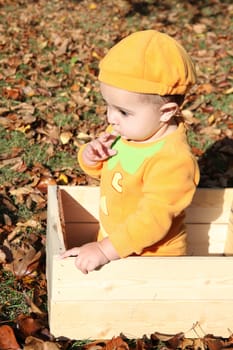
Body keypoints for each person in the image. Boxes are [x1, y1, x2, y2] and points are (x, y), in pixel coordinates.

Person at [61, 30, 200, 274]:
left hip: (153, 260)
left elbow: (153, 220)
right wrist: (92, 157)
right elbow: (112, 175)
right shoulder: (129, 131)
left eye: (123, 111)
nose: (111, 118)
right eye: (108, 106)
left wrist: (104, 250)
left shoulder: (173, 161)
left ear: (166, 112)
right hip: (115, 241)